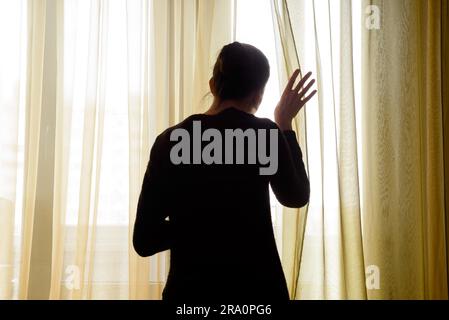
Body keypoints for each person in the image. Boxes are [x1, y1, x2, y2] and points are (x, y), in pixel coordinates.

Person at [133, 41, 317, 302]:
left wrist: (198, 223)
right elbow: (296, 196)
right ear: (257, 95)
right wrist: (284, 125)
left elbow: (144, 240)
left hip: (190, 295)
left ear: (212, 85)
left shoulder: (169, 141)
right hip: (258, 292)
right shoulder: (264, 135)